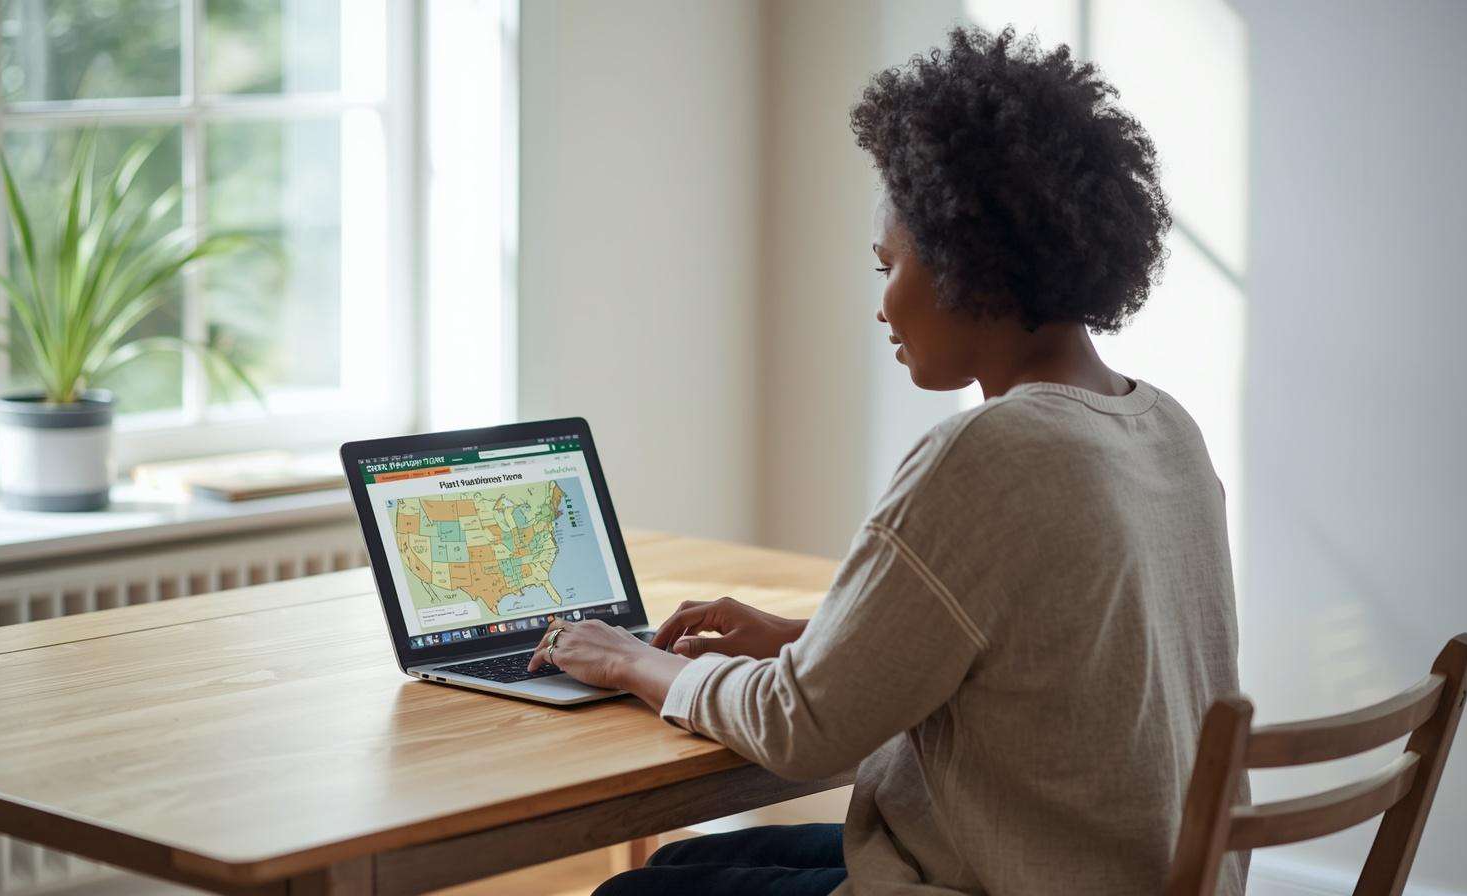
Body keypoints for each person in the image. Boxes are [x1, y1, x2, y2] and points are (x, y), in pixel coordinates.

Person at [529, 25, 1246, 896]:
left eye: (888, 266)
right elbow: (1062, 657)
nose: (883, 307)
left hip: (1011, 881)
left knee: (636, 892)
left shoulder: (991, 451)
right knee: (684, 865)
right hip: (1126, 872)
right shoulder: (1163, 427)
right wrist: (813, 641)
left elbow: (802, 731)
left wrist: (635, 662)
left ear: (963, 263)